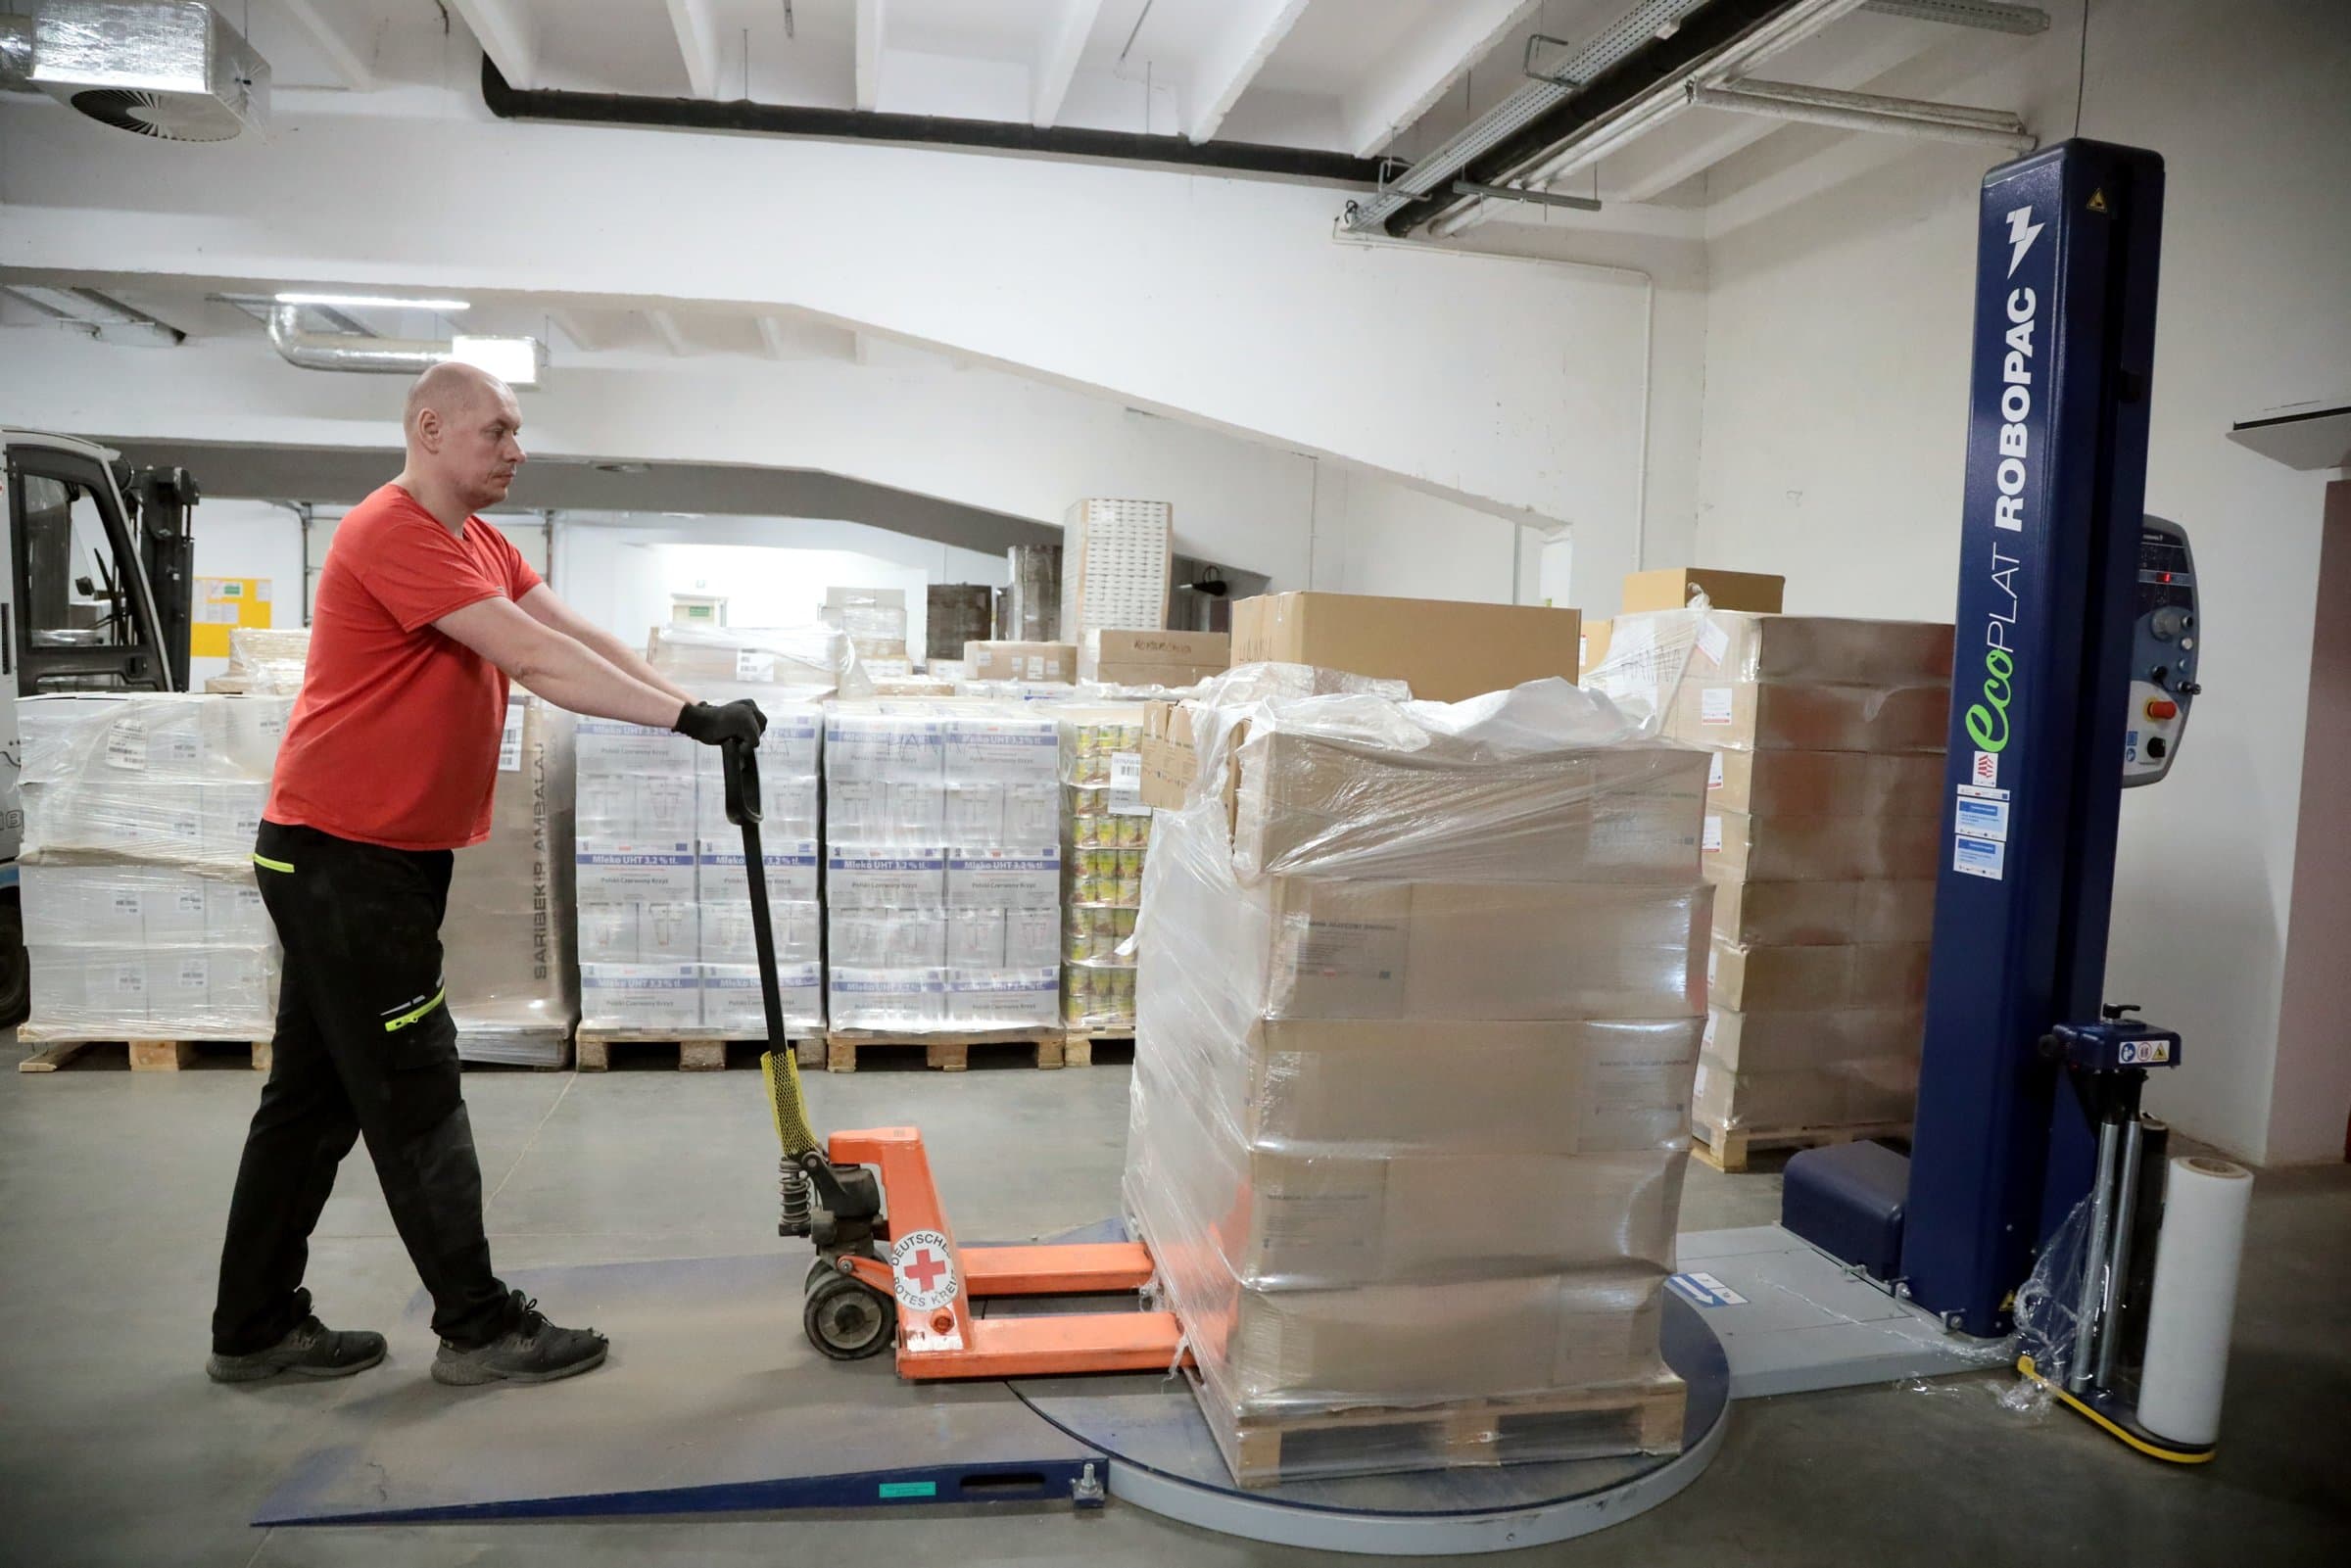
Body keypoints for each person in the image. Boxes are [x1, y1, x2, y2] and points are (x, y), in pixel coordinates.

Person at [206, 361, 765, 1388]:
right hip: (345, 859)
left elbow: (569, 634)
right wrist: (685, 720)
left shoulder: (481, 540)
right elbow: (534, 661)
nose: (517, 449)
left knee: (312, 1101)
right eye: (498, 430)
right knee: (416, 1091)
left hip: (365, 856)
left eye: (517, 432)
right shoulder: (392, 531)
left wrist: (698, 707)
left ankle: (252, 1326)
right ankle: (478, 1326)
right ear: (430, 428)